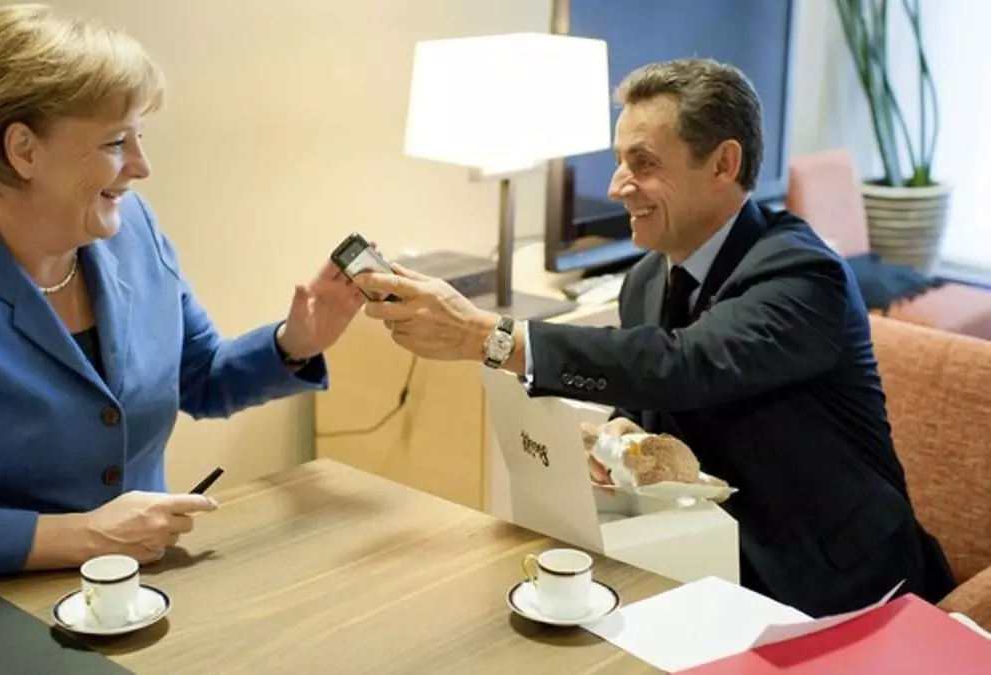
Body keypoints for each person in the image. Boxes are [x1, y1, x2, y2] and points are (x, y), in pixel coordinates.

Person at [355, 58, 956, 617]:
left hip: (844, 582)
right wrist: (624, 433)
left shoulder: (802, 273)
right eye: (620, 162)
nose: (619, 186)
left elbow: (687, 365)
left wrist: (489, 336)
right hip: (704, 557)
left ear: (723, 164)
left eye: (643, 163)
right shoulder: (645, 280)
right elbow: (651, 393)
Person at [0, 4, 366, 606]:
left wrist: (295, 344)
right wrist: (83, 536)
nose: (142, 167)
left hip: (117, 592)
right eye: (115, 142)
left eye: (140, 136)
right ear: (22, 150)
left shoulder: (132, 229)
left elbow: (200, 376)